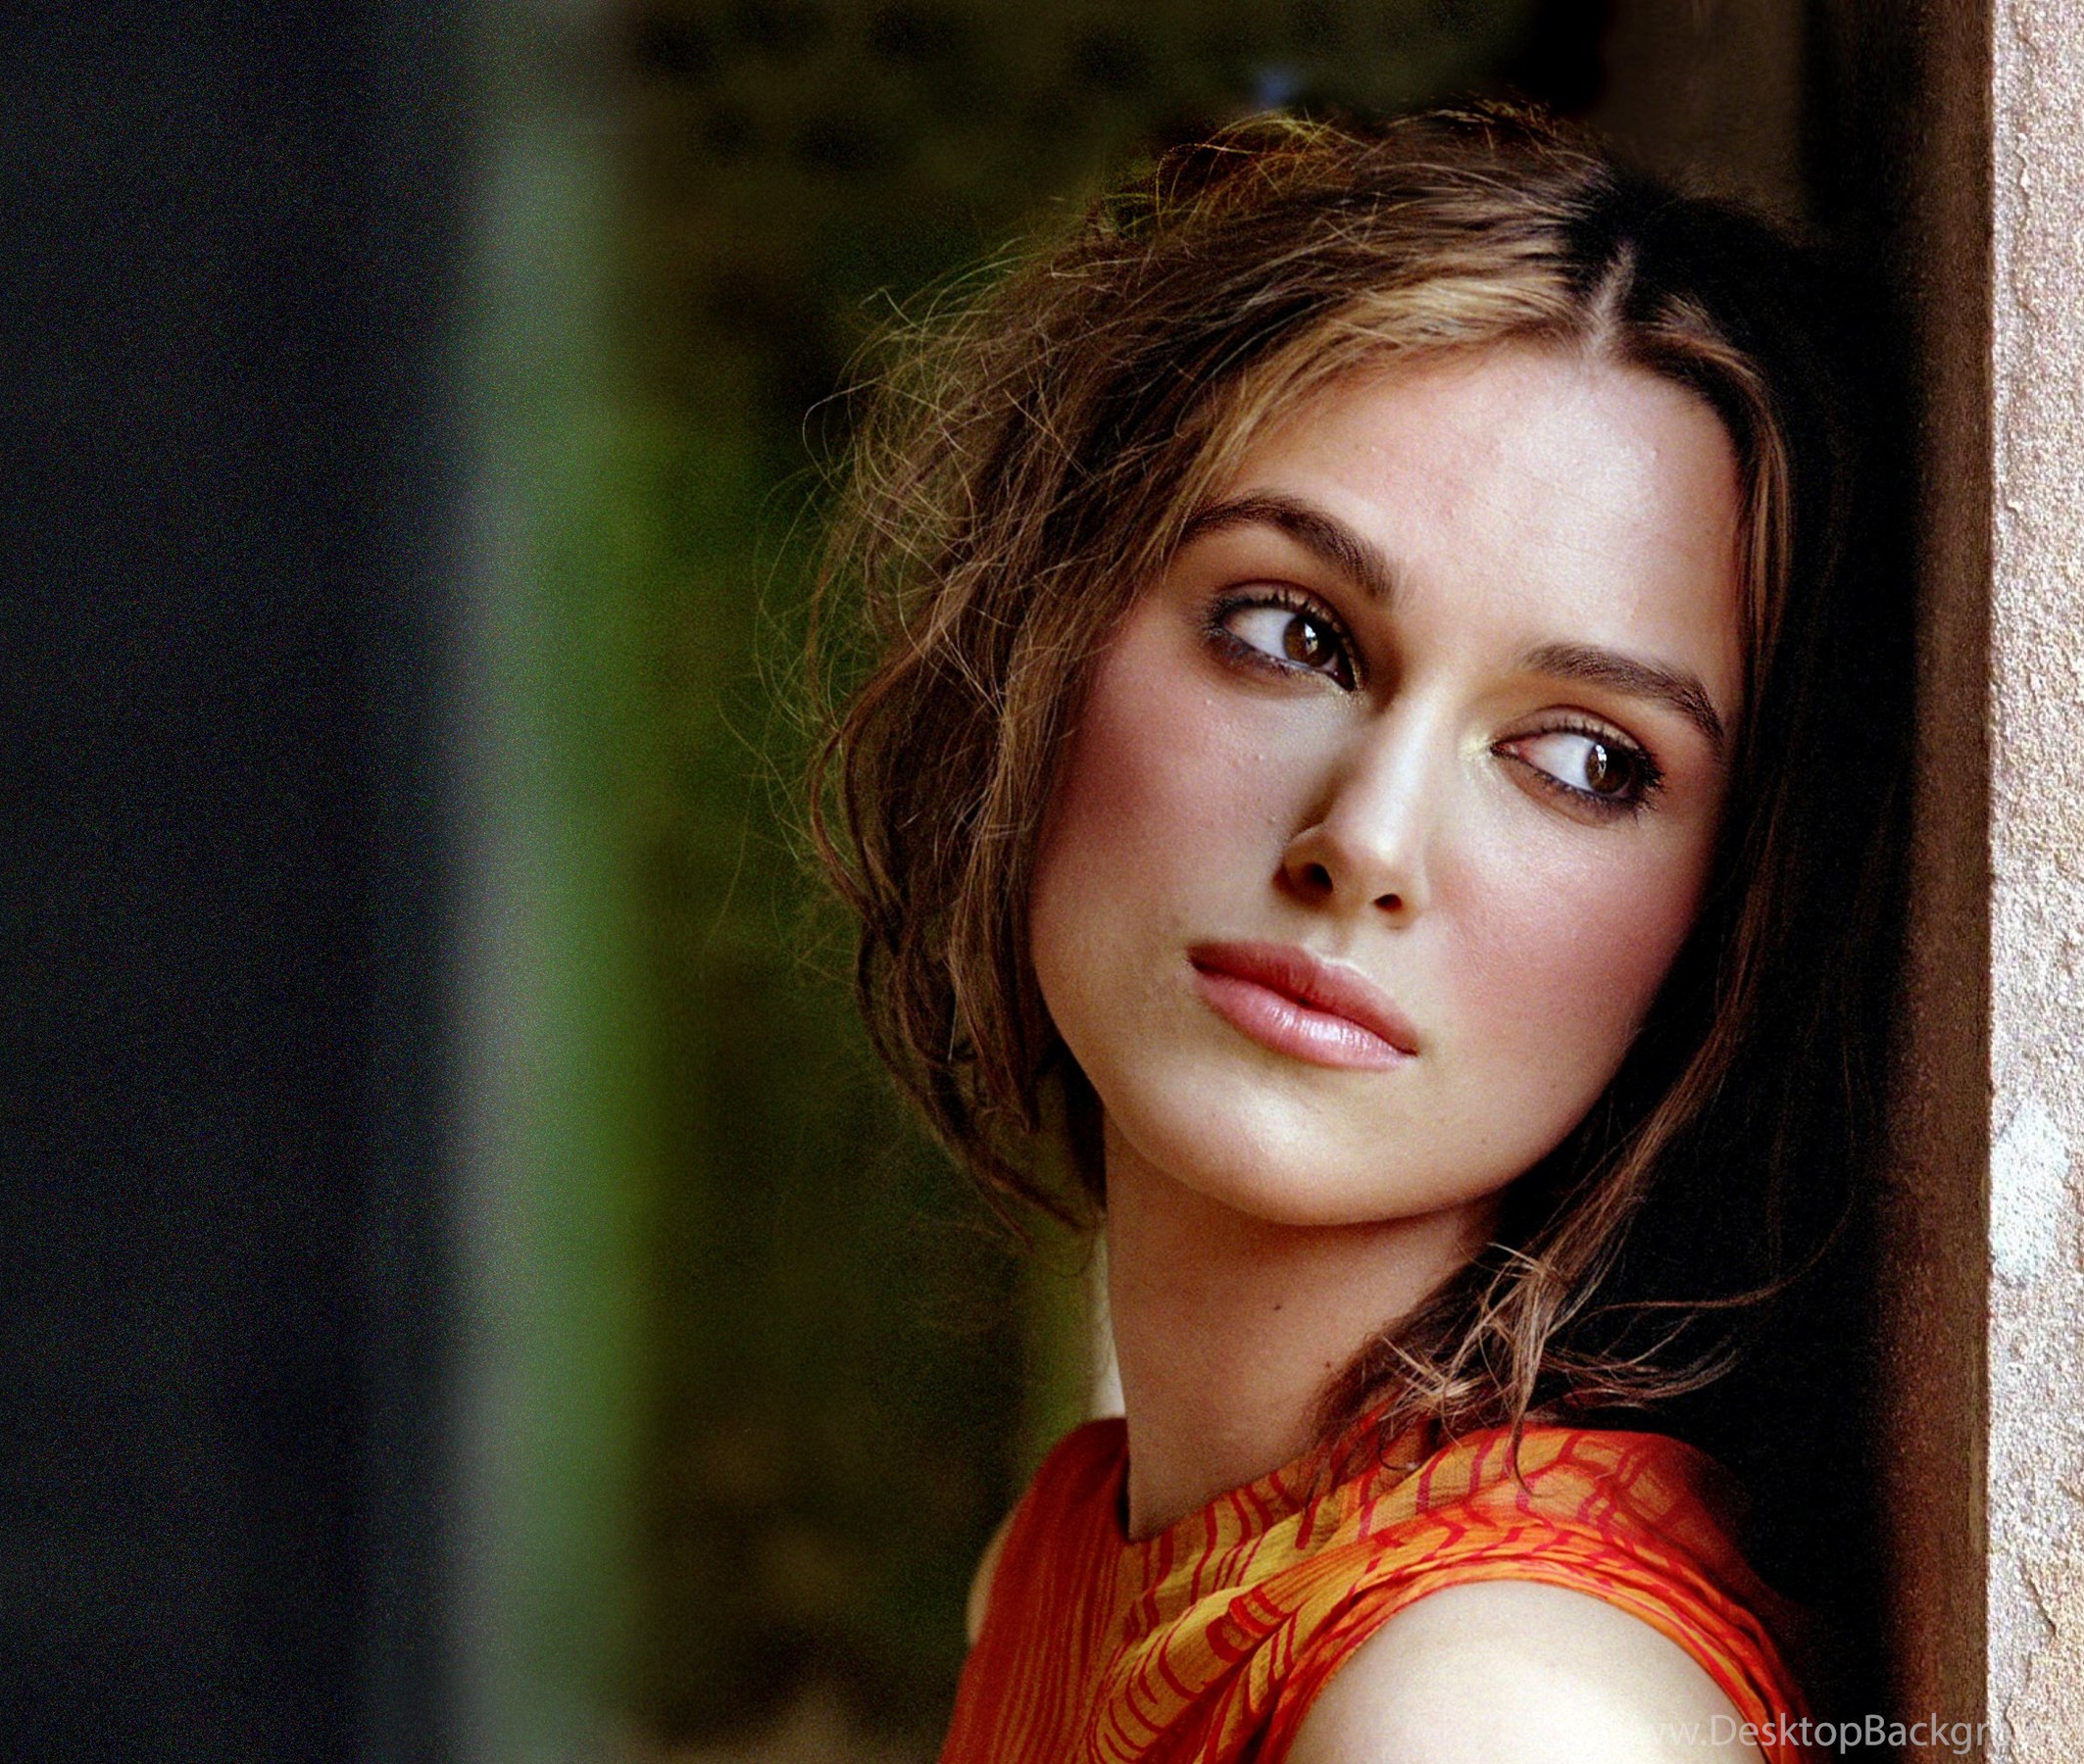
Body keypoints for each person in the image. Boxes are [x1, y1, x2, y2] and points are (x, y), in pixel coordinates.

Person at [807, 104, 1899, 1764]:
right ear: (1046, 631)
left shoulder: (1486, 1716)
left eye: (1586, 761)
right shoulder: (1069, 1557)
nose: (1365, 843)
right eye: (1289, 632)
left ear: (1728, 919)